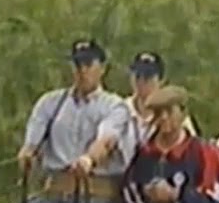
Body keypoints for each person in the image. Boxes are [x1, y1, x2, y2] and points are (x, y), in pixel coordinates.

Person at [5, 39, 128, 203]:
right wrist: (27, 155)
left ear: (102, 69)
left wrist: (88, 160)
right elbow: (32, 143)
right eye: (77, 65)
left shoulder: (114, 106)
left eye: (88, 65)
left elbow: (106, 141)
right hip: (55, 192)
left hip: (94, 195)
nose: (82, 71)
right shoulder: (50, 103)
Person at [72, 51, 196, 186]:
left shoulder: (173, 117)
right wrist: (89, 159)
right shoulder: (119, 109)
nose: (141, 82)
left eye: (148, 77)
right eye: (137, 76)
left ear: (161, 81)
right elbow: (106, 139)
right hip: (123, 186)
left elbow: (190, 152)